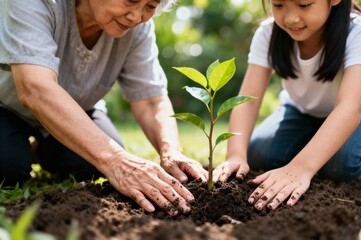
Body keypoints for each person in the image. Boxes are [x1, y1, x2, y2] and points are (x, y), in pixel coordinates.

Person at [0, 0, 208, 216]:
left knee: (89, 162)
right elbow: (35, 89)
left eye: (150, 6)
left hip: (80, 108)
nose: (136, 17)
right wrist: (115, 160)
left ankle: (38, 152)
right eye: (131, 0)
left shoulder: (138, 30)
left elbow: (150, 100)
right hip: (5, 105)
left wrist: (171, 151)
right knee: (7, 166)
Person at [213, 0, 361, 211]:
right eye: (278, 5)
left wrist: (301, 168)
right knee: (257, 154)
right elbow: (247, 101)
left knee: (340, 165)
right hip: (301, 109)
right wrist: (235, 155)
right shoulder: (268, 33)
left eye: (304, 5)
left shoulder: (360, 31)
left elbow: (349, 107)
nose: (290, 18)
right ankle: (315, 144)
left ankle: (360, 150)